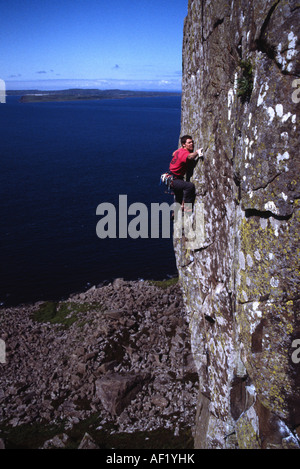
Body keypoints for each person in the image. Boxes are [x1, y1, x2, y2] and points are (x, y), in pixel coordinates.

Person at [169, 135, 203, 210]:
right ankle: (187, 208)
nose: (192, 144)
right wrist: (197, 152)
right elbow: (190, 157)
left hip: (172, 177)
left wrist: (182, 148)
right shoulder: (183, 153)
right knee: (189, 186)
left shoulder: (179, 151)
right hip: (175, 179)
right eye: (189, 143)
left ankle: (175, 213)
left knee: (179, 195)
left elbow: (173, 154)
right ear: (184, 144)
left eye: (192, 142)